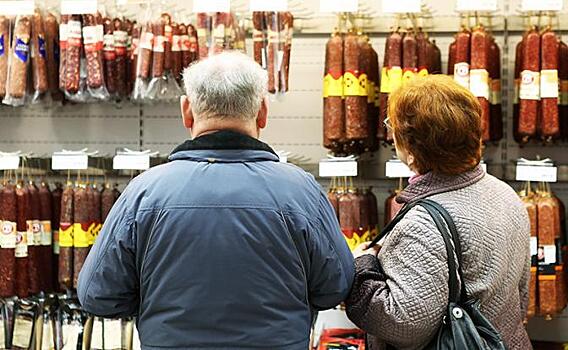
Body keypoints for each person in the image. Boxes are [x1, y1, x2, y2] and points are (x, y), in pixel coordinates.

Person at [77, 52, 354, 350]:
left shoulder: (143, 192)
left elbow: (97, 294)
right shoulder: (301, 191)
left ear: (187, 111)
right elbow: (334, 287)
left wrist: (155, 302)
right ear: (262, 111)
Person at [346, 75, 531, 350]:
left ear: (411, 149)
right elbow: (520, 293)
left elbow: (404, 325)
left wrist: (363, 267)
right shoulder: (505, 194)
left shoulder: (422, 222)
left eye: (392, 128)